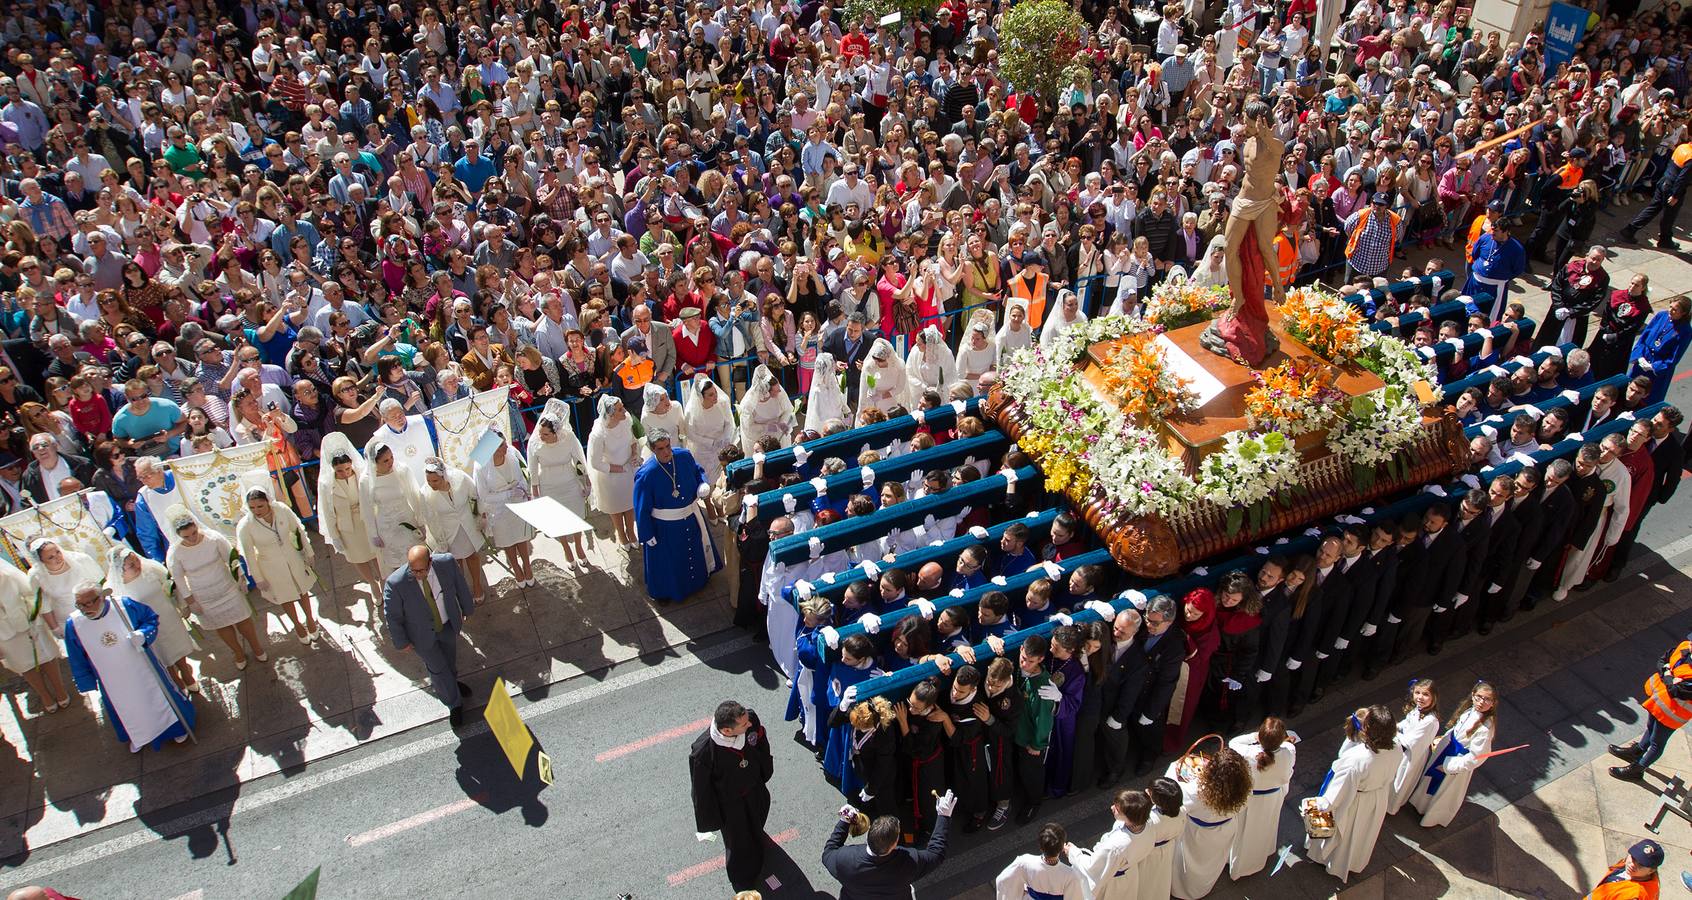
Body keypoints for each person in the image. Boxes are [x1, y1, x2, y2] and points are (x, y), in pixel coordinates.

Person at [64, 581, 197, 752]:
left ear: (102, 597)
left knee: (157, 697)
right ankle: (138, 735)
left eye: (90, 602)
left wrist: (143, 634)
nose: (85, 608)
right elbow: (76, 656)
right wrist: (85, 681)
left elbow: (150, 618)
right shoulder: (74, 624)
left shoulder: (123, 605)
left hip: (141, 667)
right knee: (126, 708)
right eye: (80, 604)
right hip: (111, 679)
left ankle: (176, 729)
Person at [1306, 705, 1401, 882]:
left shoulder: (1356, 759)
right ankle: (1352, 862)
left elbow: (1334, 798)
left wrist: (1312, 806)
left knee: (1345, 832)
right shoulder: (1397, 747)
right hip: (1377, 797)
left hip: (1354, 801)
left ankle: (1329, 860)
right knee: (1362, 834)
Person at [383, 545, 475, 729]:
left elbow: (460, 585)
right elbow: (392, 616)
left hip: (447, 625)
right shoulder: (395, 583)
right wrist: (401, 641)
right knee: (438, 668)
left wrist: (467, 608)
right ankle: (454, 704)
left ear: (430, 562)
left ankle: (452, 684)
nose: (417, 574)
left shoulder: (447, 563)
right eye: (413, 570)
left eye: (422, 570)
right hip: (421, 636)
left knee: (449, 661)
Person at [689, 699, 776, 893]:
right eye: (744, 724)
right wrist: (713, 818)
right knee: (738, 842)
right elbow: (701, 791)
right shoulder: (703, 752)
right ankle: (742, 877)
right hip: (731, 804)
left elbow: (761, 741)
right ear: (727, 731)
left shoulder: (750, 719)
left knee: (758, 818)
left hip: (754, 789)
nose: (750, 724)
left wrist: (764, 769)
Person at [633, 430, 722, 603]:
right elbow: (641, 507)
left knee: (694, 551)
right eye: (660, 449)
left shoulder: (684, 456)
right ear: (653, 450)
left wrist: (702, 482)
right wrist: (646, 533)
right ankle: (665, 592)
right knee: (669, 561)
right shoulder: (646, 474)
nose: (666, 452)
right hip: (665, 527)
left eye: (668, 446)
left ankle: (698, 581)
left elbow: (697, 470)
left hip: (690, 515)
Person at [822, 791, 955, 899]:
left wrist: (844, 822)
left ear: (869, 835)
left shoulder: (845, 859)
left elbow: (828, 852)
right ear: (894, 844)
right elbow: (936, 854)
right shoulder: (908, 862)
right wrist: (943, 816)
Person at [105, 546, 199, 694]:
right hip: (146, 625)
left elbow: (172, 586)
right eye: (131, 565)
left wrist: (182, 605)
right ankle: (175, 681)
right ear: (121, 569)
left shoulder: (152, 568)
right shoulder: (114, 587)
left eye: (136, 560)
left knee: (177, 648)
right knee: (162, 654)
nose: (137, 565)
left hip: (168, 617)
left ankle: (187, 675)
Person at [235, 485, 322, 643]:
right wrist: (258, 577)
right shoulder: (245, 525)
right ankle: (297, 625)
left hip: (292, 557)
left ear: (268, 501)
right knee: (285, 596)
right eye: (252, 507)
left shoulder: (281, 509)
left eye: (260, 506)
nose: (257, 510)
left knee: (302, 589)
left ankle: (310, 619)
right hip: (270, 566)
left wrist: (309, 552)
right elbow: (249, 554)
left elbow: (298, 530)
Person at [1166, 743, 1252, 899]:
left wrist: (1175, 766)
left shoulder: (1198, 791)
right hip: (1225, 830)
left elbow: (1172, 787)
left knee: (1189, 865)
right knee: (1212, 862)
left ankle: (1183, 890)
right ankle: (1203, 888)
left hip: (1196, 834)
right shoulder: (1245, 789)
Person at [1410, 680, 1498, 827]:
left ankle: (1433, 817)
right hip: (1447, 749)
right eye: (1479, 697)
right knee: (1430, 781)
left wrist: (1448, 766)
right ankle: (1421, 805)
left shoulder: (1485, 729)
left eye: (1487, 699)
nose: (1481, 702)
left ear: (1493, 703)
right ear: (1472, 695)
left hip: (1457, 761)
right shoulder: (1469, 710)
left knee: (1444, 791)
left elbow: (1476, 757)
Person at [1609, 631, 1692, 782]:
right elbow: (1662, 660)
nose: (1690, 644)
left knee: (1657, 742)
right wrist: (1669, 675)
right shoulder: (1685, 647)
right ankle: (1638, 750)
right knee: (1650, 727)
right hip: (1657, 701)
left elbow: (1677, 691)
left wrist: (1667, 672)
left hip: (1672, 713)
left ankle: (1638, 769)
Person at [315, 433, 385, 607]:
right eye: (340, 471)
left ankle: (383, 581)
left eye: (347, 469)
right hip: (347, 527)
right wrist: (335, 536)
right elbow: (327, 511)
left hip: (366, 521)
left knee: (376, 554)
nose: (345, 473)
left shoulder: (361, 473)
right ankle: (372, 584)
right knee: (358, 558)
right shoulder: (326, 484)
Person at [0, 556, 71, 713]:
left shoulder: (7, 573)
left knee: (46, 656)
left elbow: (30, 592)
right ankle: (44, 695)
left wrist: (34, 617)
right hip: (4, 631)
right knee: (25, 664)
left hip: (27, 621)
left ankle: (60, 689)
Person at [526, 401, 593, 566]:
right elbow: (532, 469)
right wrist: (535, 491)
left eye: (545, 434)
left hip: (570, 483)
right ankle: (566, 548)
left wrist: (586, 481)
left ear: (556, 432)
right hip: (548, 486)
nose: (540, 436)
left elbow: (579, 461)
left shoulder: (569, 438)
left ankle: (578, 545)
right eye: (540, 433)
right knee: (558, 520)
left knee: (575, 516)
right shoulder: (535, 443)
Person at [1228, 717, 1295, 879]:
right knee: (1265, 827)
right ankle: (1260, 854)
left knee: (1243, 830)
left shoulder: (1249, 753)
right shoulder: (1289, 751)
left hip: (1250, 799)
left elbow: (1233, 742)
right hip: (1272, 797)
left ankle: (1235, 860)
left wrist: (1254, 737)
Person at [416, 457, 489, 603]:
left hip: (467, 526)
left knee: (472, 556)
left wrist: (479, 515)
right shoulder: (425, 493)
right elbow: (430, 519)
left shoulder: (460, 478)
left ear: (444, 476)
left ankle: (477, 585)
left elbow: (474, 495)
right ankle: (461, 590)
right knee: (455, 562)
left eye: (435, 481)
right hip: (448, 531)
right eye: (429, 480)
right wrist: (439, 540)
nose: (431, 484)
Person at [1067, 789, 1156, 899]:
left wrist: (1073, 852)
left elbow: (1093, 867)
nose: (1112, 808)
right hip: (1129, 875)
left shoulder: (1116, 846)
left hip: (1112, 882)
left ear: (1130, 817)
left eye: (1118, 809)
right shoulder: (1148, 823)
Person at [473, 436, 537, 588]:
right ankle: (516, 568)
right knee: (507, 540)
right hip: (498, 509)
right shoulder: (480, 465)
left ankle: (527, 566)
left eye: (504, 443)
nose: (506, 447)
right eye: (501, 445)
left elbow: (524, 472)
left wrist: (523, 489)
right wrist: (507, 494)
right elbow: (484, 495)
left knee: (521, 536)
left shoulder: (512, 452)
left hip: (518, 500)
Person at [361, 441, 425, 577]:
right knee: (398, 565)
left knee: (417, 559)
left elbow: (415, 495)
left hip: (407, 520)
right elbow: (367, 510)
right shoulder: (366, 481)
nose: (390, 462)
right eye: (385, 461)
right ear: (374, 463)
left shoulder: (402, 470)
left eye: (391, 458)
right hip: (387, 526)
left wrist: (420, 521)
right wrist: (374, 534)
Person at [587, 395, 640, 545]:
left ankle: (631, 531)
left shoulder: (625, 420)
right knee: (616, 507)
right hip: (610, 476)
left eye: (623, 407)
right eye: (619, 409)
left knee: (630, 504)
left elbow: (632, 440)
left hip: (628, 470)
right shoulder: (598, 434)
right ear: (610, 414)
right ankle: (621, 534)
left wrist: (634, 454)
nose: (624, 411)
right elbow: (595, 462)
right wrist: (618, 469)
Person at [26, 539, 104, 637]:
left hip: (96, 610)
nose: (58, 558)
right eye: (51, 557)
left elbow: (101, 583)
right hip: (68, 620)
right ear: (41, 561)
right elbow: (43, 604)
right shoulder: (36, 575)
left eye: (58, 552)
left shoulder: (81, 560)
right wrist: (54, 628)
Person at [1387, 679, 1443, 815]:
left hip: (1410, 755)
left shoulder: (1430, 721)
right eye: (1417, 692)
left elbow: (1410, 741)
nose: (1420, 697)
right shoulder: (1417, 710)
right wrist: (1395, 726)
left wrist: (1392, 733)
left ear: (1433, 697)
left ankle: (1390, 807)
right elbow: (1406, 723)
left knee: (1400, 779)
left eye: (1425, 694)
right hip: (1403, 749)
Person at [995, 822, 1087, 899]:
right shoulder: (1070, 875)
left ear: (1040, 846)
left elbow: (1003, 880)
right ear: (1062, 847)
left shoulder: (1024, 862)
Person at [1630, 296, 1691, 405]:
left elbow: (1673, 358)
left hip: (1656, 372)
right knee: (1630, 391)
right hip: (1643, 360)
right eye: (1670, 307)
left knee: (1646, 401)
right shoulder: (1661, 316)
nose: (1670, 311)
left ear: (1683, 313)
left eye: (1674, 310)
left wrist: (1654, 367)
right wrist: (1639, 356)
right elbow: (1643, 337)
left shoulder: (1685, 331)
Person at [682, 374, 738, 485]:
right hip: (703, 449)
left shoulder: (722, 403)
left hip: (722, 444)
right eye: (711, 395)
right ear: (701, 397)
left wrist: (724, 438)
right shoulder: (691, 411)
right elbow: (690, 433)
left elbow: (729, 423)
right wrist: (710, 443)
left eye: (715, 392)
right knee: (706, 481)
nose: (716, 396)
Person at [738, 365, 797, 453]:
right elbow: (748, 429)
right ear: (766, 392)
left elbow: (788, 410)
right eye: (776, 390)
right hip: (761, 441)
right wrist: (768, 428)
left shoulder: (780, 394)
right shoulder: (748, 404)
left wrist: (782, 424)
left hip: (780, 435)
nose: (780, 391)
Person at [1585, 839, 1666, 900]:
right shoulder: (1625, 865)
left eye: (1641, 864)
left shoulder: (1635, 895)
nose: (1632, 864)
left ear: (1651, 870)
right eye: (1633, 858)